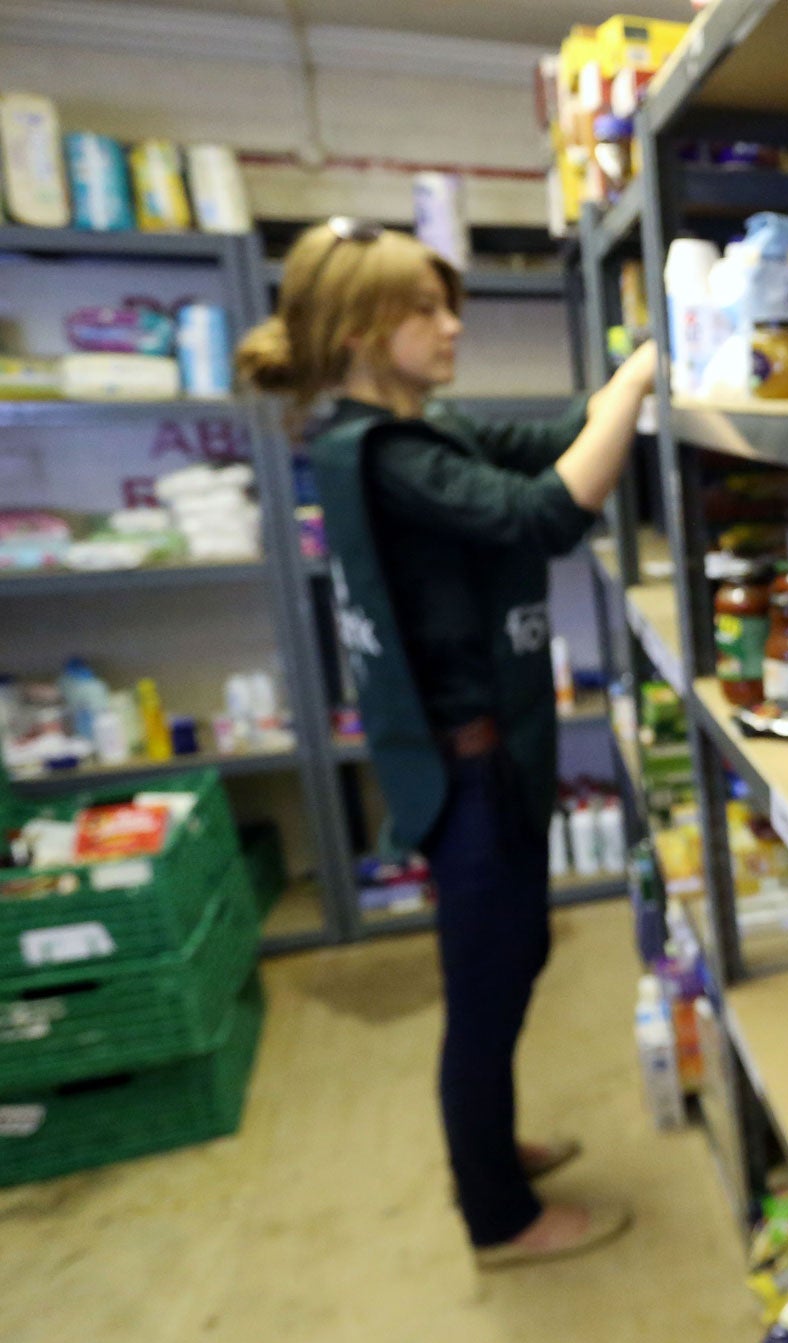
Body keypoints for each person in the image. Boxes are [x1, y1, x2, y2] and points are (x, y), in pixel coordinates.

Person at [238, 218, 658, 1268]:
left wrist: (621, 386)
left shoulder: (419, 432)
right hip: (466, 770)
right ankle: (499, 1217)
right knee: (482, 985)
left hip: (476, 757)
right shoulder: (384, 455)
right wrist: (644, 376)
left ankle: (490, 1148)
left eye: (445, 302)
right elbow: (545, 514)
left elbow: (554, 438)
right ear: (364, 330)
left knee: (507, 961)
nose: (450, 324)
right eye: (422, 309)